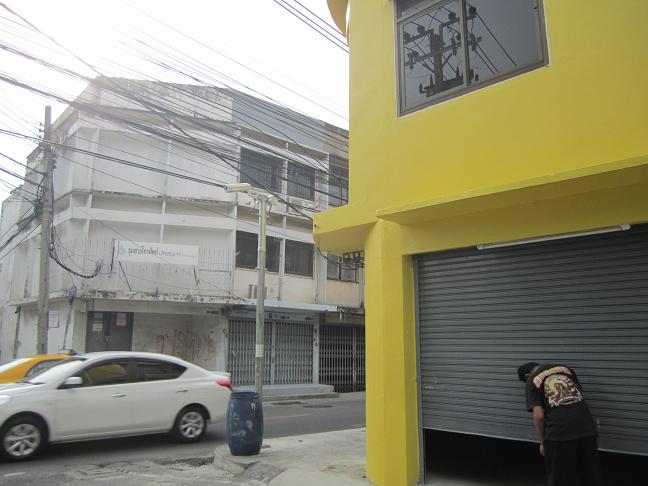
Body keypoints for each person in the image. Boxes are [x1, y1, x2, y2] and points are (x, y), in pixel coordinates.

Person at [517, 362, 602, 486]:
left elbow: (539, 416)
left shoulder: (532, 380)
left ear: (527, 376)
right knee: (590, 476)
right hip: (587, 430)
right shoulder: (566, 369)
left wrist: (543, 441)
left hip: (558, 434)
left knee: (560, 478)